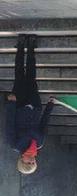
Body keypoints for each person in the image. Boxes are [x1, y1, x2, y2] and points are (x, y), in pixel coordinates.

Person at [5, 34, 54, 175]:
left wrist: (11, 104)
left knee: (19, 75)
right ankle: (31, 46)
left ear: (22, 159)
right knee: (31, 76)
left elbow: (9, 123)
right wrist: (50, 105)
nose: (31, 161)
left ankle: (20, 46)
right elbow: (44, 124)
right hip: (35, 106)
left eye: (28, 163)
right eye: (33, 163)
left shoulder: (14, 144)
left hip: (19, 105)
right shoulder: (39, 144)